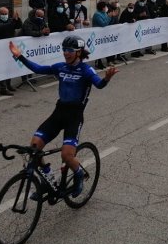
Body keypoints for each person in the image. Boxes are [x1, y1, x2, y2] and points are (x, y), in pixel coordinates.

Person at [8, 36, 118, 197]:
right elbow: (38, 69)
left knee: (66, 155)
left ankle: (79, 174)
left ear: (79, 52)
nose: (66, 53)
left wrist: (107, 78)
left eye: (70, 51)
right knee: (34, 147)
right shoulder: (60, 67)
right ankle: (49, 178)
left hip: (74, 116)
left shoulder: (86, 70)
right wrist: (19, 55)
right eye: (64, 50)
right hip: (59, 112)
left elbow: (99, 85)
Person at [0, 7, 23, 95]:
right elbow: (2, 28)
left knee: (9, 67)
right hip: (0, 48)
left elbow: (18, 26)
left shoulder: (10, 20)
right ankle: (2, 88)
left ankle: (8, 84)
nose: (5, 15)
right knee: (2, 68)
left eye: (6, 14)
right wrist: (13, 21)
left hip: (10, 47)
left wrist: (17, 19)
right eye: (3, 14)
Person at [92, 1, 111, 69]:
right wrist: (109, 17)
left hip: (104, 34)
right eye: (105, 7)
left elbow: (108, 22)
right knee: (99, 48)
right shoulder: (97, 14)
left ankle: (107, 61)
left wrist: (110, 17)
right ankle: (98, 62)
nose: (106, 8)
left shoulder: (105, 13)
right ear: (102, 7)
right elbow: (103, 24)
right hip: (98, 34)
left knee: (104, 48)